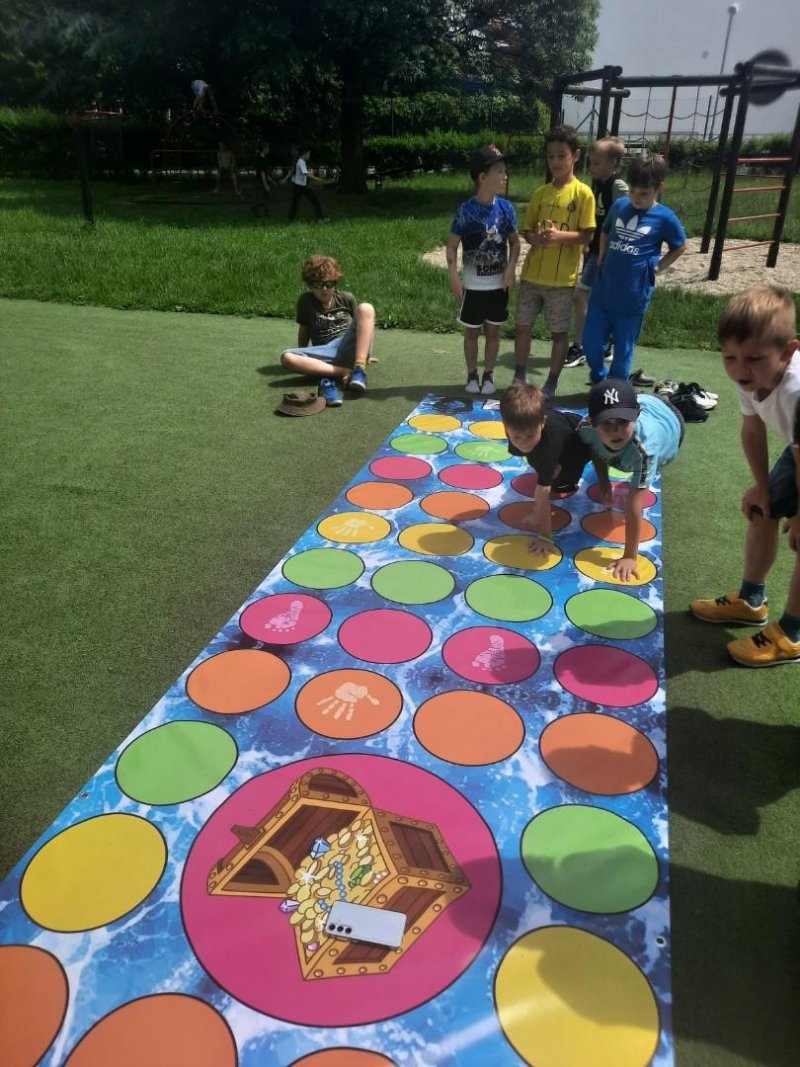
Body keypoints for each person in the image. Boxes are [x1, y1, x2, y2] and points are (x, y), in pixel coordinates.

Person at [690, 286, 800, 667]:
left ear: (788, 352)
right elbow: (752, 429)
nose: (739, 369)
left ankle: (792, 634)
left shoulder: (797, 391)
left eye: (753, 358)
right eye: (730, 357)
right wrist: (762, 487)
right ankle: (751, 600)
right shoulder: (751, 377)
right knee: (761, 508)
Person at [583, 154, 686, 386]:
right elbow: (606, 230)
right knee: (590, 342)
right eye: (632, 191)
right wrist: (601, 256)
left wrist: (659, 266)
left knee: (623, 348)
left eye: (644, 194)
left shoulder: (665, 217)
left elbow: (680, 245)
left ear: (659, 188)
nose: (636, 198)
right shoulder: (620, 206)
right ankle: (598, 377)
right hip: (603, 291)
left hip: (633, 296)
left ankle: (616, 389)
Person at [514, 125, 596, 400]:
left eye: (562, 155)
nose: (556, 162)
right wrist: (535, 239)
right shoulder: (540, 193)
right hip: (531, 277)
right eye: (551, 156)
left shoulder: (583, 194)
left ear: (576, 156)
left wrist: (560, 236)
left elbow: (587, 234)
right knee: (522, 326)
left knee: (559, 333)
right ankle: (519, 375)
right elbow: (527, 231)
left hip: (562, 281)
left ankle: (551, 382)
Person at [580, 378, 684, 581]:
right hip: (642, 402)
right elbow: (595, 447)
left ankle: (670, 396)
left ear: (637, 415)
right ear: (592, 422)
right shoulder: (586, 428)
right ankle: (660, 394)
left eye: (622, 422)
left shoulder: (645, 450)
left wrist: (629, 556)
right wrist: (603, 481)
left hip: (671, 420)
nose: (615, 431)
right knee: (610, 449)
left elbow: (634, 506)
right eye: (606, 424)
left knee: (635, 466)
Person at [446, 144, 520, 396]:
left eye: (505, 171)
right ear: (482, 177)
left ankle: (488, 374)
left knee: (493, 331)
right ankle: (471, 374)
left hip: (498, 285)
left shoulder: (506, 208)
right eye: (500, 171)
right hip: (473, 285)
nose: (505, 176)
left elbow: (515, 243)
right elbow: (452, 245)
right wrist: (454, 277)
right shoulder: (465, 210)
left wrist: (511, 269)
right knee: (472, 332)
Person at [500, 382, 592, 548]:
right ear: (506, 427)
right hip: (561, 427)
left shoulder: (549, 446)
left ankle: (560, 473)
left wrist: (545, 537)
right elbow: (526, 441)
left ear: (542, 423)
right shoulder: (520, 426)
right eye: (516, 437)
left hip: (581, 443)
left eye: (530, 435)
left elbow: (542, 493)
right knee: (537, 457)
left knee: (560, 485)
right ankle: (551, 468)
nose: (524, 442)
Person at [565, 137, 628, 370]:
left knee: (583, 295)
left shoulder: (617, 186)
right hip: (594, 251)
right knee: (593, 297)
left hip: (609, 254)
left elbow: (628, 213)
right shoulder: (596, 184)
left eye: (597, 163)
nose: (591, 167)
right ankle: (601, 344)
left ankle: (581, 346)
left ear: (613, 163)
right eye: (590, 162)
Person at [281, 255, 375, 407]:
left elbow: (363, 324)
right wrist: (304, 352)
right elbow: (304, 329)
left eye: (329, 284)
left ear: (335, 283)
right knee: (287, 357)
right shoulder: (306, 302)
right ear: (310, 285)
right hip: (325, 352)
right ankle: (343, 372)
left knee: (366, 308)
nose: (324, 289)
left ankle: (359, 367)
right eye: (318, 285)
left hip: (345, 344)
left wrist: (366, 353)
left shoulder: (346, 298)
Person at [283, 145, 325, 222]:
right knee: (313, 200)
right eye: (308, 154)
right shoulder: (301, 162)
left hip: (300, 186)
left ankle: (290, 218)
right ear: (304, 153)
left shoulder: (301, 161)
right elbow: (305, 173)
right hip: (300, 187)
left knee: (296, 203)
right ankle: (320, 218)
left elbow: (305, 172)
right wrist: (317, 179)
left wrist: (313, 175)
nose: (309, 156)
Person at [254, 141, 275, 216]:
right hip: (260, 181)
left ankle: (262, 211)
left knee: (267, 197)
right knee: (266, 197)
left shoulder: (264, 159)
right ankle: (258, 209)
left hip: (262, 180)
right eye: (267, 148)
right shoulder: (260, 160)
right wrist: (266, 185)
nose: (268, 150)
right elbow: (262, 173)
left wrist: (272, 181)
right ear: (263, 149)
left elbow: (266, 173)